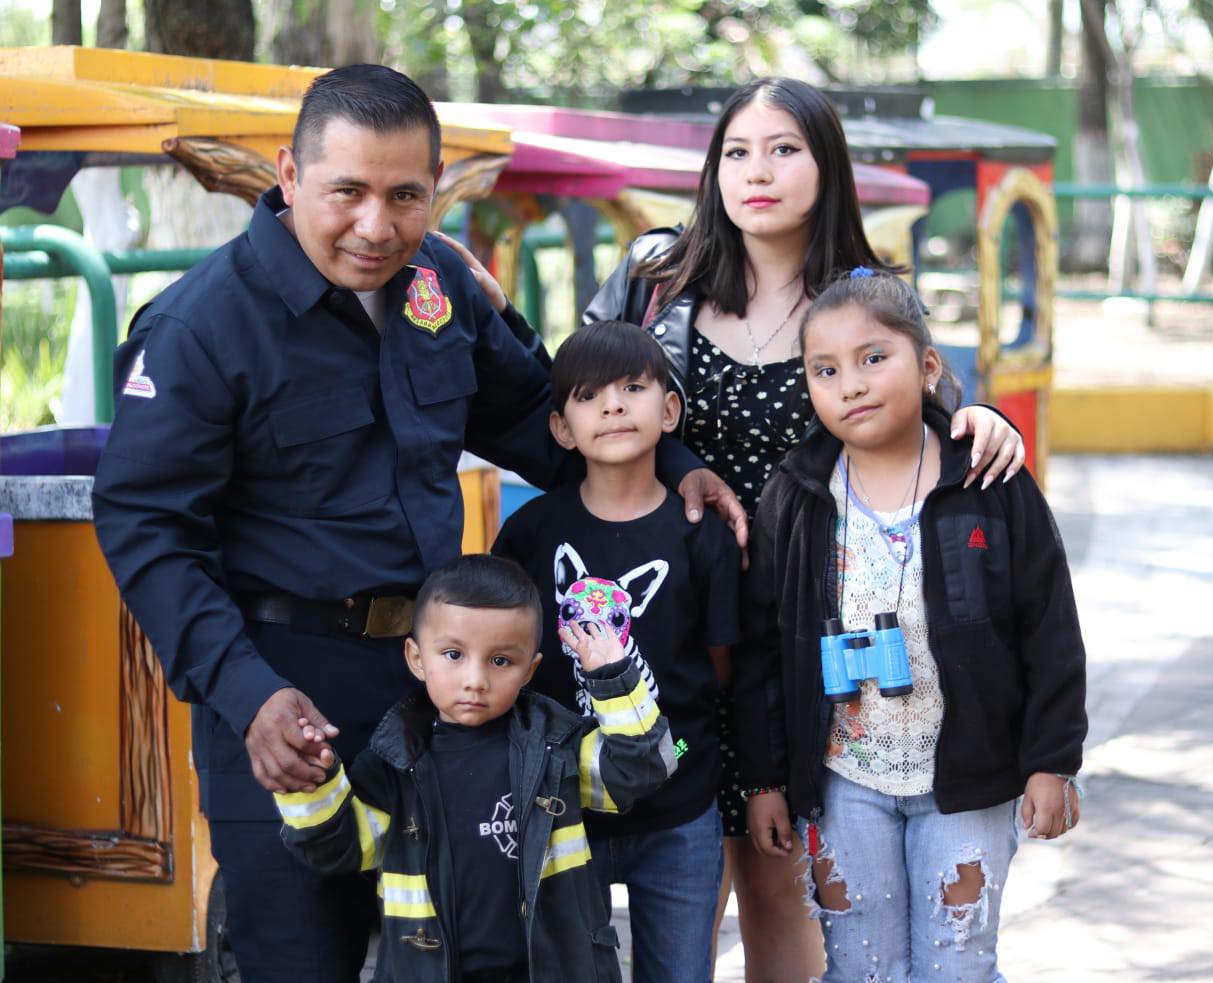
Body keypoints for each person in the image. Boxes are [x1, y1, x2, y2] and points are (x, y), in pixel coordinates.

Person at [90, 64, 736, 982]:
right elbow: (148, 527)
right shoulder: (203, 326)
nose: (376, 225)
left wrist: (677, 470)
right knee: (298, 962)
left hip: (441, 698)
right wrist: (246, 697)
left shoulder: (439, 286)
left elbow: (544, 424)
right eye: (346, 191)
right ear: (288, 173)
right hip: (286, 695)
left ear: (434, 187)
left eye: (405, 195)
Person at [576, 77, 1028, 978]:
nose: (758, 171)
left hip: (799, 629)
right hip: (669, 619)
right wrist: (677, 470)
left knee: (779, 874)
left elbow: (920, 416)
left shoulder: (864, 292)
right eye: (737, 151)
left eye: (784, 149)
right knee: (676, 877)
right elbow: (587, 399)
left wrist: (980, 420)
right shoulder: (654, 276)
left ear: (826, 166)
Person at [735, 268, 1087, 982]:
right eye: (824, 369)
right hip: (842, 780)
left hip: (968, 777)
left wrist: (1052, 759)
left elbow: (1048, 622)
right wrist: (764, 777)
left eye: (873, 357)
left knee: (955, 964)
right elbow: (760, 648)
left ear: (927, 365)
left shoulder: (986, 478)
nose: (851, 383)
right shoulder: (796, 494)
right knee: (860, 965)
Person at [274, 553, 676, 983]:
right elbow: (338, 849)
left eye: (500, 661)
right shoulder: (393, 759)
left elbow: (645, 766)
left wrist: (614, 679)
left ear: (530, 670)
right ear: (416, 657)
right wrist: (311, 782)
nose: (475, 679)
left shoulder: (556, 745)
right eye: (453, 654)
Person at [492, 321, 741, 983]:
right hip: (560, 804)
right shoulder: (530, 533)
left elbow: (719, 666)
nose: (611, 404)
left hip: (680, 801)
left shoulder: (699, 537)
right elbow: (505, 659)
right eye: (588, 394)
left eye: (632, 387)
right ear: (561, 427)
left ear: (667, 411)